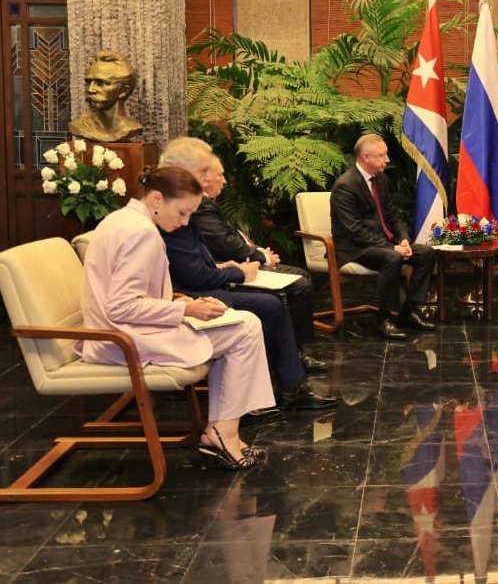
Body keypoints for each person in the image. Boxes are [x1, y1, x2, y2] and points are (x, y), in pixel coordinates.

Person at [78, 166, 273, 470]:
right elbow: (121, 307)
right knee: (246, 327)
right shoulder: (141, 233)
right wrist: (186, 310)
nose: (184, 222)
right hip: (123, 339)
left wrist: (180, 300)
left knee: (240, 323)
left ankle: (222, 430)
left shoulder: (121, 219)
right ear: (157, 199)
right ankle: (223, 433)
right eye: (182, 213)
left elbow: (129, 295)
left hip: (118, 330)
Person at [159, 137, 337, 411]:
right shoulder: (172, 212)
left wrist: (227, 268)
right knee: (270, 303)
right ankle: (285, 387)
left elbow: (199, 261)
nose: (207, 179)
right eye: (203, 171)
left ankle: (284, 382)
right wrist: (238, 274)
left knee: (277, 298)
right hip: (188, 296)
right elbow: (194, 276)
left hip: (199, 284)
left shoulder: (181, 207)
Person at [192, 154, 323, 366]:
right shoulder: (199, 207)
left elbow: (230, 237)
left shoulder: (205, 204)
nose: (225, 181)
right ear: (204, 178)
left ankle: (295, 350)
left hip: (233, 265)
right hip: (225, 273)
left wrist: (260, 253)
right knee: (299, 285)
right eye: (221, 175)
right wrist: (260, 257)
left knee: (300, 277)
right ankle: (293, 354)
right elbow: (225, 244)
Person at [331, 134, 437, 340]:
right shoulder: (345, 186)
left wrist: (403, 239)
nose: (387, 159)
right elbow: (354, 230)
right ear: (365, 157)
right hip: (355, 248)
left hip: (382, 243)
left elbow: (391, 215)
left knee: (426, 253)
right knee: (393, 257)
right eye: (382, 156)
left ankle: (409, 311)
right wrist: (392, 248)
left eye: (386, 154)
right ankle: (383, 319)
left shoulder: (380, 179)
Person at [69, 50, 144, 143]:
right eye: (88, 82)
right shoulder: (81, 125)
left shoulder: (130, 128)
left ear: (124, 91)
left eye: (101, 83)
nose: (90, 89)